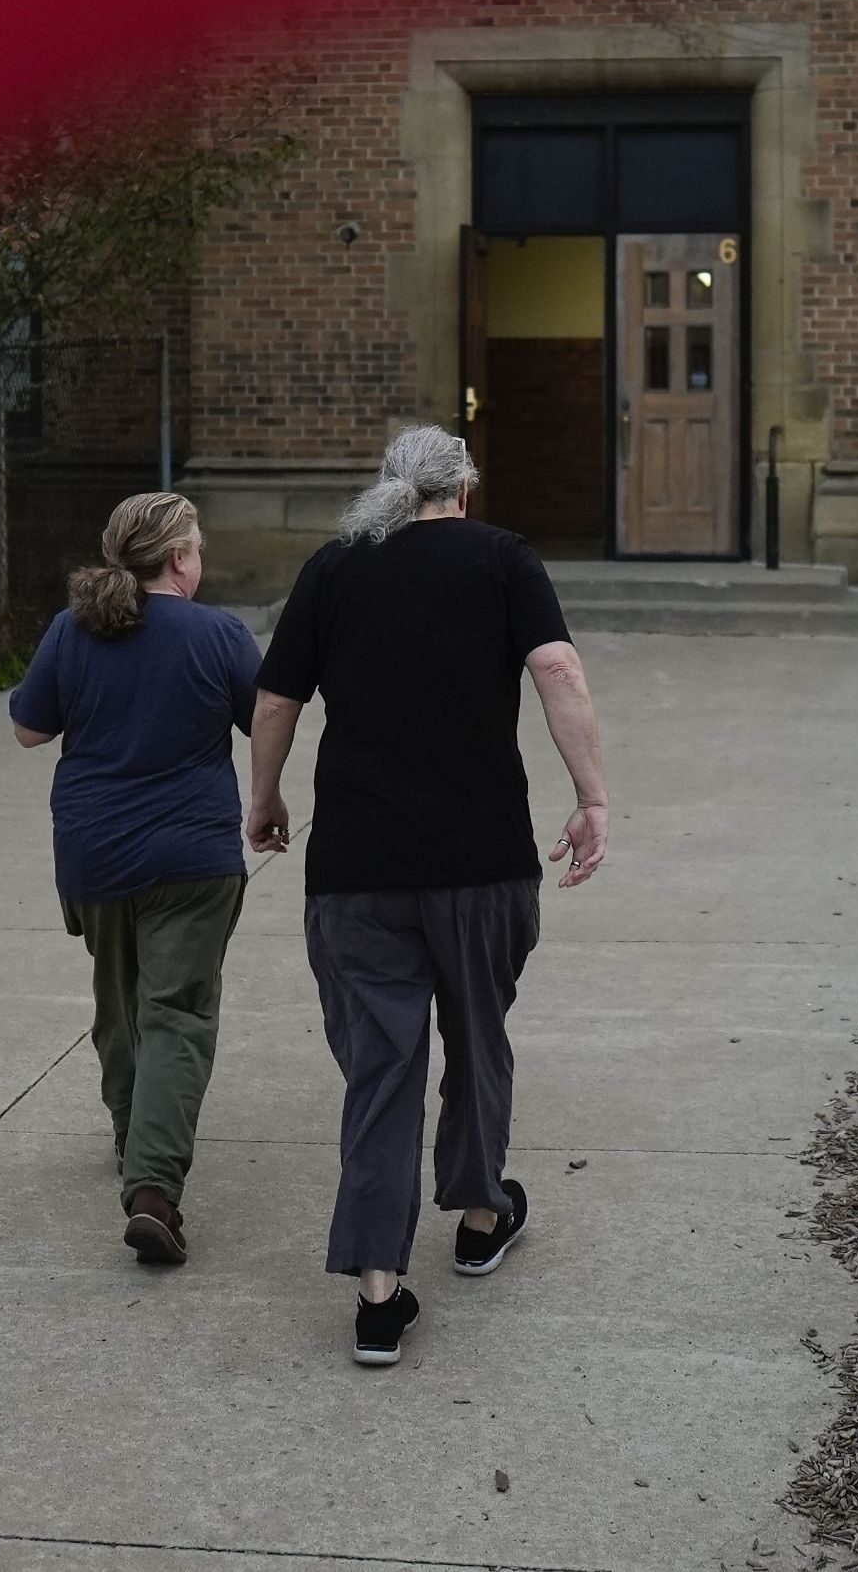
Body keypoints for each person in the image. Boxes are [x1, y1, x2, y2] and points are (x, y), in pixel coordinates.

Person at [246, 424, 609, 1366]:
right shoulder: (502, 560)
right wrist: (591, 795)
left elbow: (277, 700)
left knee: (382, 1067)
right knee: (478, 1033)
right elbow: (557, 667)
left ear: (390, 489)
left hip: (359, 871)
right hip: (482, 861)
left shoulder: (335, 569)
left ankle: (377, 1293)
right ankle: (482, 1215)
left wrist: (265, 795)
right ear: (464, 489)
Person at [8, 491, 259, 1268]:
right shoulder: (219, 633)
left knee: (120, 1005)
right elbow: (269, 716)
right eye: (198, 547)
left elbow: (28, 726)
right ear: (179, 557)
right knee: (177, 1012)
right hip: (191, 858)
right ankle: (153, 1187)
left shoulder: (72, 627)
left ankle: (132, 1130)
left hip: (94, 852)